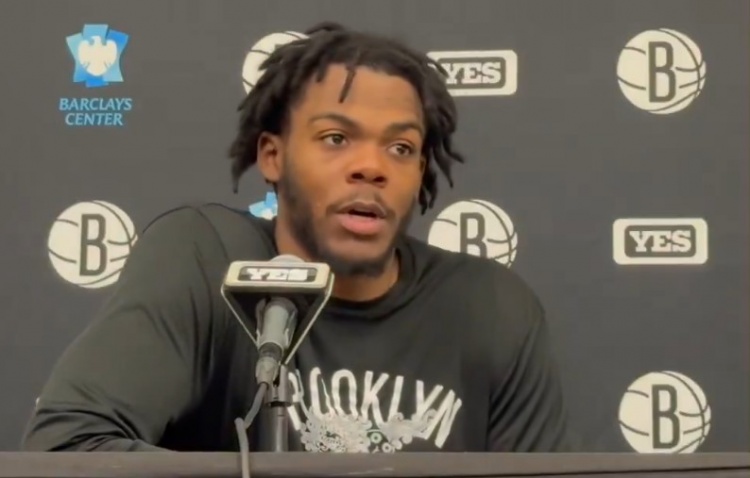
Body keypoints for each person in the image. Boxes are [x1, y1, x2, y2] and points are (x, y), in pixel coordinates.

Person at [22, 22, 573, 453]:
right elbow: (68, 447)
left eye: (400, 148)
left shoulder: (492, 308)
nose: (371, 167)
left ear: (419, 172)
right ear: (273, 156)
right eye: (336, 138)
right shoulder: (205, 260)